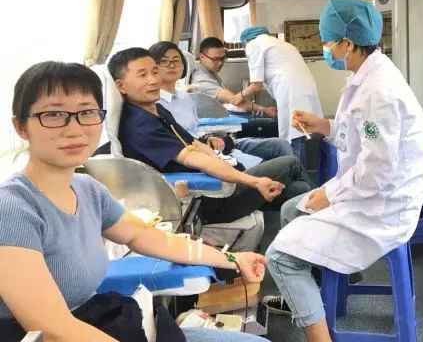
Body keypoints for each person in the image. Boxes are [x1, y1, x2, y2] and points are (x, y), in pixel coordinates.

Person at [0, 61, 267, 342]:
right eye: (54, 114)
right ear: (21, 127)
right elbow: (51, 328)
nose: (74, 128)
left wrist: (233, 259)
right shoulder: (12, 209)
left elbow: (145, 236)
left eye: (87, 112)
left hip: (95, 321)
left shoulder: (87, 189)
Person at [263, 0, 423, 342]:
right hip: (369, 190)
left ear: (348, 44)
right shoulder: (367, 77)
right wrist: (322, 125)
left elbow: (376, 171)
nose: (326, 49)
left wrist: (330, 195)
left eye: (328, 42)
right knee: (291, 209)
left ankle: (317, 331)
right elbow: (358, 137)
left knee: (277, 257)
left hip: (382, 206)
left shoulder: (378, 91)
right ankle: (307, 297)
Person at [109, 48, 312, 225]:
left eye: (154, 72)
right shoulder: (139, 126)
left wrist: (221, 154)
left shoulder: (156, 111)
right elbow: (197, 159)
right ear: (121, 85)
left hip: (221, 181)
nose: (153, 80)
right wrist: (255, 182)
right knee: (291, 163)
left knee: (299, 190)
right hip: (211, 197)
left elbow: (194, 144)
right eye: (142, 75)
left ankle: (307, 238)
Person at [149, 41, 295, 166]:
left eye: (176, 61)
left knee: (281, 146)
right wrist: (265, 110)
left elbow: (195, 129)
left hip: (214, 143)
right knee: (285, 164)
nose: (172, 66)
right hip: (204, 152)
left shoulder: (185, 97)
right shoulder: (155, 105)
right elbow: (233, 99)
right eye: (164, 61)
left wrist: (211, 138)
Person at [232, 27, 323, 165]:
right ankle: (300, 175)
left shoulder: (253, 45)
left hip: (291, 93)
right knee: (298, 137)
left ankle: (296, 175)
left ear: (245, 42)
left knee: (292, 140)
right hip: (305, 90)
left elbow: (257, 84)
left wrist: (239, 95)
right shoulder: (282, 44)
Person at [191, 37, 279, 139]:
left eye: (222, 58)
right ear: (202, 57)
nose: (219, 63)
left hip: (221, 120)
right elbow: (233, 99)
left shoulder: (209, 71)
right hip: (217, 130)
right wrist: (265, 110)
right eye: (215, 59)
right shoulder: (201, 80)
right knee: (271, 126)